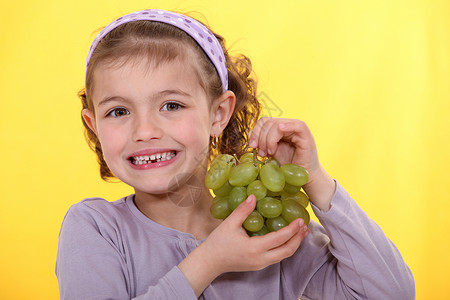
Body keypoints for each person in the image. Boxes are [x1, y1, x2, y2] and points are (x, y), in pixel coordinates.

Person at [55, 9, 415, 300]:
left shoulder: (267, 233)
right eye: (119, 111)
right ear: (94, 125)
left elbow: (393, 293)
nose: (145, 130)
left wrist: (316, 179)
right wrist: (210, 261)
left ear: (218, 115)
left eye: (171, 105)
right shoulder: (96, 228)